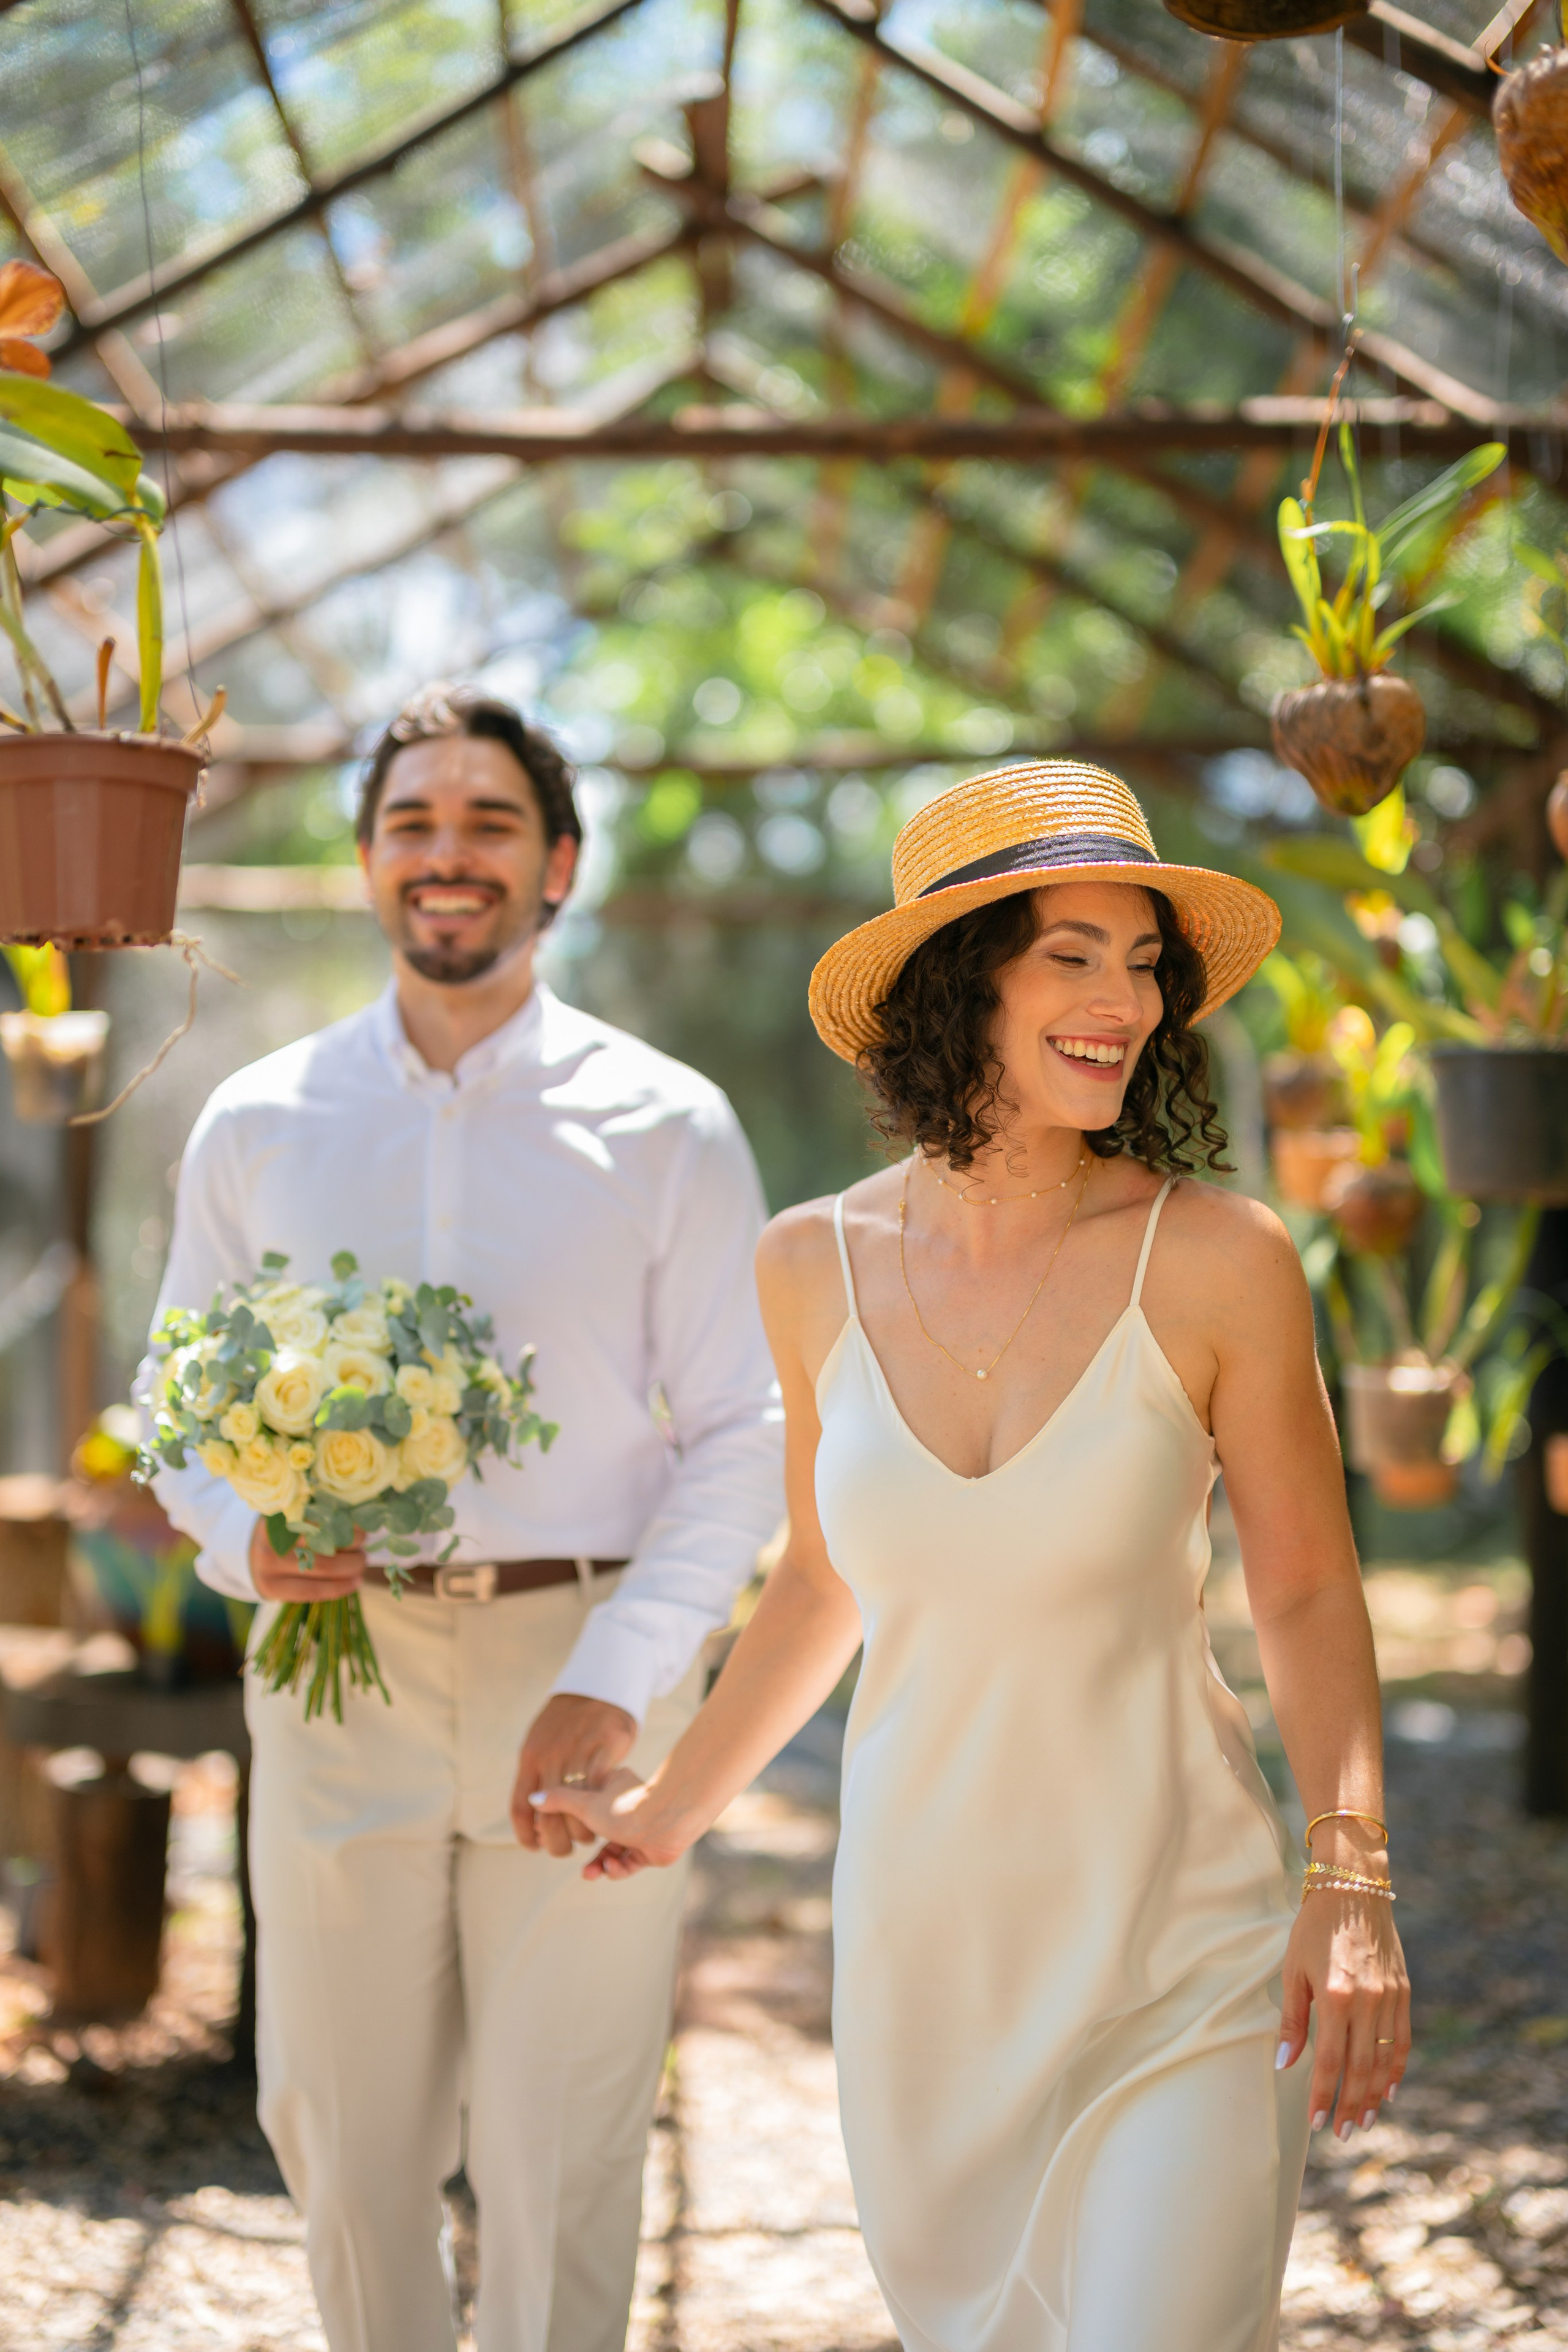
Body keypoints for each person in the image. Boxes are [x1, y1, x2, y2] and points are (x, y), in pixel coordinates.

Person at [536, 762, 1412, 2352]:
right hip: (927, 1977)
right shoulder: (809, 1267)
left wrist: (1350, 1878)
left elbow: (1300, 1587)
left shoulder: (1221, 1262)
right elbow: (823, 1582)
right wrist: (675, 1812)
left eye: (1143, 962)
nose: (1123, 999)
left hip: (1182, 1957)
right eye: (1070, 953)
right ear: (960, 983)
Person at [146, 684, 782, 2352]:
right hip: (330, 1670)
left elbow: (744, 1434)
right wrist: (240, 1536)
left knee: (561, 2153)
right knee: (341, 2141)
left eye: (491, 822)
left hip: (583, 1677)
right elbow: (168, 1403)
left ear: (558, 864)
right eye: (414, 822)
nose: (450, 854)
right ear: (366, 864)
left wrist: (628, 1666)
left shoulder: (671, 1125)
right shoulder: (257, 1121)